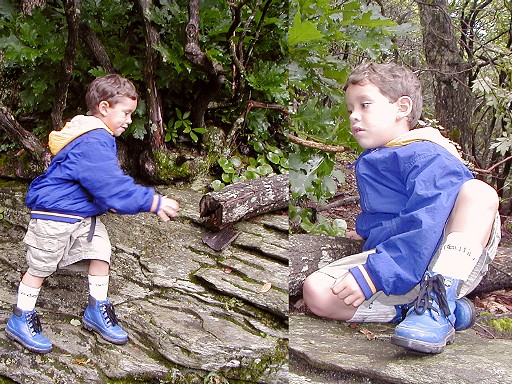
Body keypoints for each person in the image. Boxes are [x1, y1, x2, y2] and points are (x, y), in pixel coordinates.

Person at [302, 62, 501, 354]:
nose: (354, 116)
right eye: (350, 109)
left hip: (445, 259)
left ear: (402, 107)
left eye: (365, 105)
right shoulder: (378, 157)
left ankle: (436, 304)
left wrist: (376, 273)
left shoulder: (427, 153)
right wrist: (371, 239)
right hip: (402, 264)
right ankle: (416, 309)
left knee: (478, 193)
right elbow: (388, 218)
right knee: (317, 292)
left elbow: (427, 220)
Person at [5, 74, 180, 354]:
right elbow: (108, 183)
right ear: (104, 107)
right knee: (40, 267)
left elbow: (92, 180)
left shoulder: (97, 136)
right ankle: (20, 316)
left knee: (101, 253)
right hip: (55, 215)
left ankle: (96, 309)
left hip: (83, 216)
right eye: (126, 112)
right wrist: (152, 201)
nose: (129, 120)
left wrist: (104, 201)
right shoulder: (94, 138)